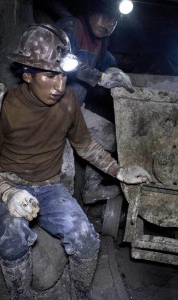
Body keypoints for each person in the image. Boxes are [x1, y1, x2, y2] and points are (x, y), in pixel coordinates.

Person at [0, 24, 152, 299]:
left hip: (49, 187)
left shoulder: (69, 103)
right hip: (11, 187)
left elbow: (84, 144)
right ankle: (20, 294)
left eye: (63, 76)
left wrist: (119, 171)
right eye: (50, 76)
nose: (59, 86)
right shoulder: (4, 107)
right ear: (27, 75)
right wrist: (7, 192)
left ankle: (79, 294)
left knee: (86, 239)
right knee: (13, 235)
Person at [57, 0, 135, 203]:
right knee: (65, 171)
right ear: (91, 10)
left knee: (109, 135)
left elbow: (106, 61)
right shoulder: (71, 27)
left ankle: (91, 189)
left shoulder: (101, 41)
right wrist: (101, 78)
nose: (109, 23)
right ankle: (60, 212)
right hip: (52, 110)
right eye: (105, 16)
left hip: (76, 108)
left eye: (115, 21)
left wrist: (115, 71)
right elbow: (65, 61)